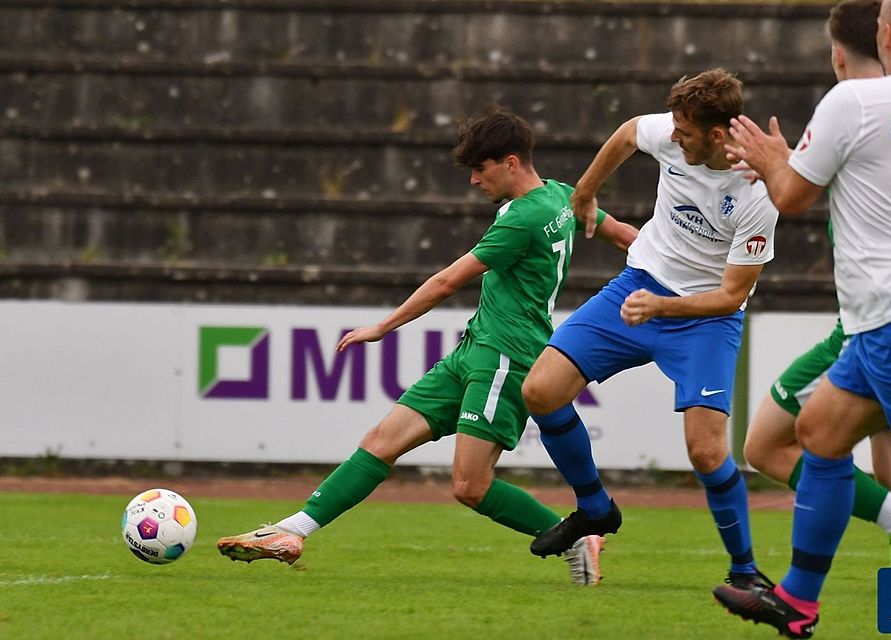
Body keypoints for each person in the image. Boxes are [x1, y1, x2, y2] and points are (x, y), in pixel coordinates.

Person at [215, 105, 639, 586]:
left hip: (506, 358)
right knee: (381, 441)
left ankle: (577, 537)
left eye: (480, 169)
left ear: (511, 163)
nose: (475, 181)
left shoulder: (522, 218)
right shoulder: (563, 197)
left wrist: (383, 326)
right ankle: (292, 531)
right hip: (474, 350)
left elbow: (445, 283)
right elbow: (623, 234)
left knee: (469, 486)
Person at [714, 0, 891, 636]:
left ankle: (834, 600)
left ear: (886, 31)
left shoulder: (856, 101)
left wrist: (772, 157)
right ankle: (799, 600)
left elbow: (792, 196)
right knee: (822, 434)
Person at [520, 69, 780, 591]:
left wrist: (662, 308)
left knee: (707, 453)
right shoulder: (672, 132)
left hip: (705, 318)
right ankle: (595, 509)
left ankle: (746, 572)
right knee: (541, 390)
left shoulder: (757, 191)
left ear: (717, 134)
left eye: (685, 132)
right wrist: (585, 194)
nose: (673, 136)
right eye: (674, 127)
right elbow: (627, 133)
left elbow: (732, 295)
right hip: (639, 285)